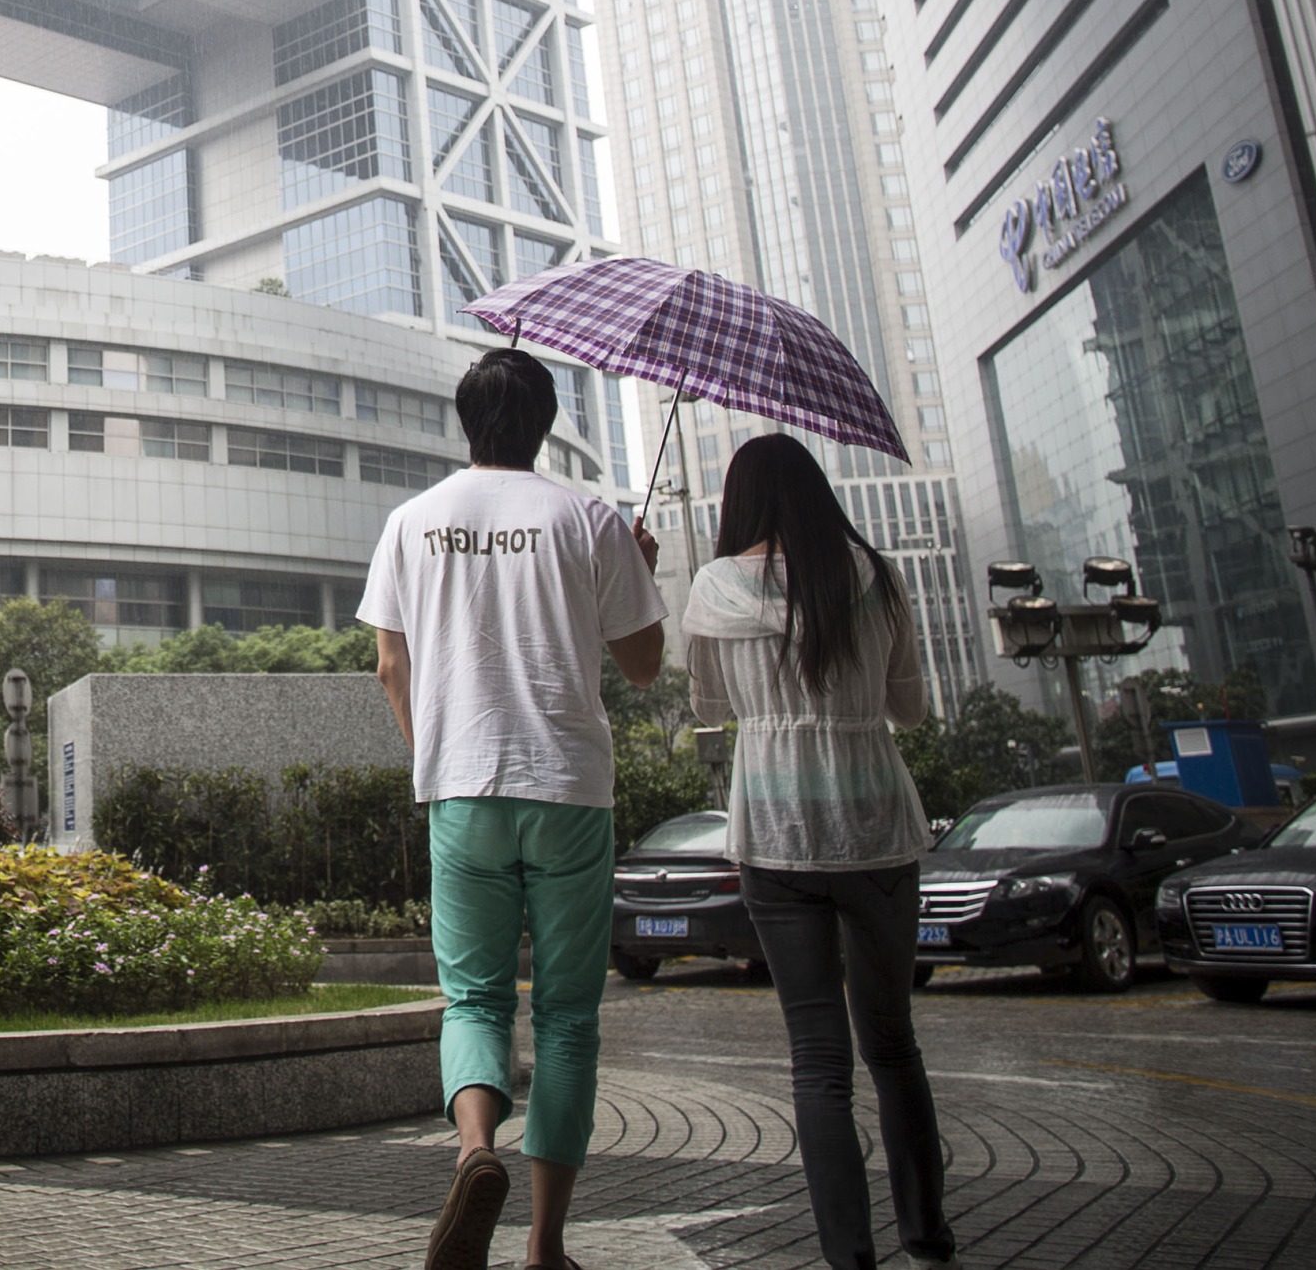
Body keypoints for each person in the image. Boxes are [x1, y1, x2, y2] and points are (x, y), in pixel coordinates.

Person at [359, 346, 665, 1270]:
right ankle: (545, 1244)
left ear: (465, 420)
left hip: (463, 786)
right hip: (568, 788)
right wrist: (640, 570)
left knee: (475, 999)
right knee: (568, 1017)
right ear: (546, 423)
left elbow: (390, 666)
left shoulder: (410, 521)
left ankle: (473, 1153)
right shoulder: (589, 518)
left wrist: (436, 757)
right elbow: (643, 666)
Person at [684, 433, 956, 1269]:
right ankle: (927, 1232)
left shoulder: (714, 587)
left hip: (775, 836)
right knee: (893, 1042)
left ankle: (849, 1257)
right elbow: (910, 710)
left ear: (740, 502)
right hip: (876, 830)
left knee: (818, 1058)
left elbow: (708, 710)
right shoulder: (876, 574)